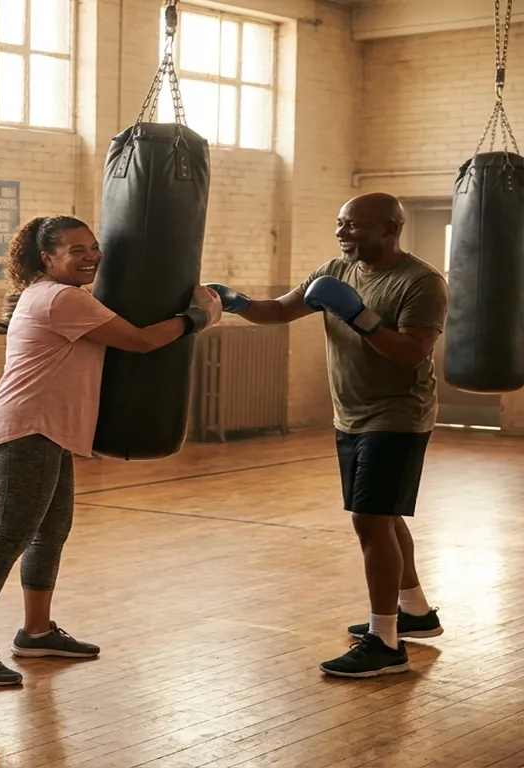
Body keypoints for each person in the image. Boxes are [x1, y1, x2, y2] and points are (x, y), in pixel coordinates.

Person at [0, 215, 222, 685]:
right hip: (26, 428)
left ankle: (36, 631)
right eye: (76, 250)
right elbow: (143, 341)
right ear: (47, 258)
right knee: (9, 535)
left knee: (51, 532)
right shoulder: (61, 298)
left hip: (49, 429)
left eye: (93, 247)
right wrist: (197, 316)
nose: (91, 256)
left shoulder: (57, 295)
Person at [206, 192, 448, 679]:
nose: (342, 234)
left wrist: (361, 318)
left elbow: (410, 354)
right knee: (385, 515)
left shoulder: (422, 283)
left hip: (397, 416)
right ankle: (415, 612)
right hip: (350, 415)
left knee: (370, 521)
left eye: (353, 227)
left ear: (390, 228)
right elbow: (277, 311)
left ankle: (385, 643)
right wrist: (235, 302)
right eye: (339, 224)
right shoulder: (334, 271)